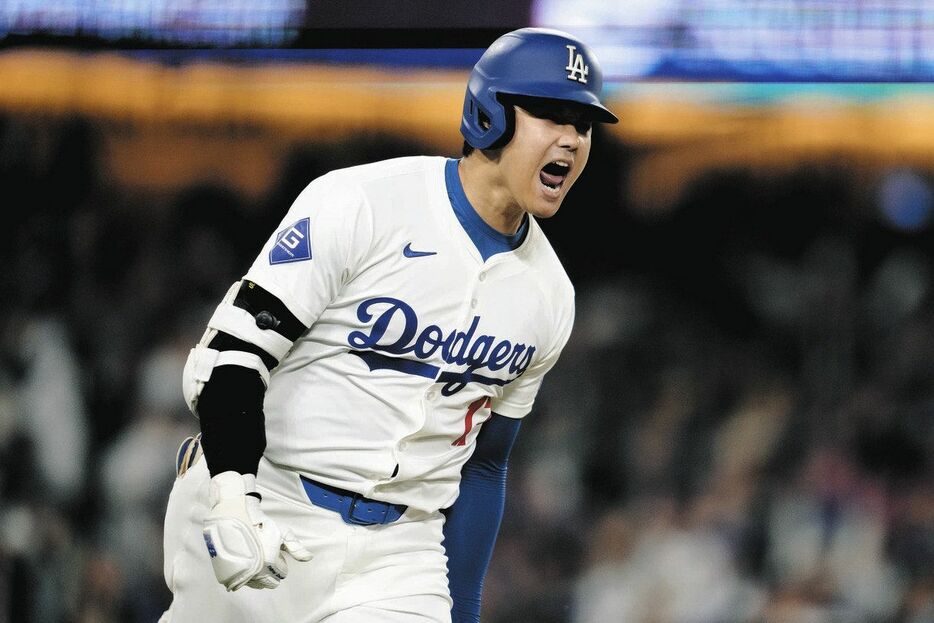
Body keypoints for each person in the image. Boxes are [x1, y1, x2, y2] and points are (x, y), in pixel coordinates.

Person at [159, 27, 617, 623]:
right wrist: (231, 491)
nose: (571, 139)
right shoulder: (364, 202)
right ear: (489, 117)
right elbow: (235, 357)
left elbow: (485, 465)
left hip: (399, 553)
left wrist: (467, 610)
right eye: (551, 115)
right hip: (266, 496)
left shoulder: (550, 295)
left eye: (582, 125)